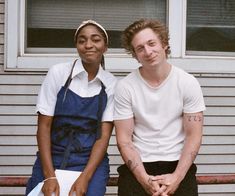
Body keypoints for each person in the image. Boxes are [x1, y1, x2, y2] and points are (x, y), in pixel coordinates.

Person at [114, 19, 206, 196]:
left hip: (178, 164)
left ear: (164, 44)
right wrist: (144, 179)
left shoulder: (187, 83)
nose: (148, 52)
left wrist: (177, 177)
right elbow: (124, 140)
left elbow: (193, 136)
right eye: (140, 48)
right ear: (135, 55)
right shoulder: (125, 87)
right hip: (139, 166)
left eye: (151, 43)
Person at [25, 20, 117, 196]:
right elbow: (43, 126)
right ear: (76, 46)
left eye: (95, 39)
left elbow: (103, 137)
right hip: (53, 156)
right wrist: (49, 176)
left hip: (90, 160)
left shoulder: (111, 84)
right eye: (82, 40)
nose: (88, 45)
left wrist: (85, 177)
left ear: (105, 46)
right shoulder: (58, 73)